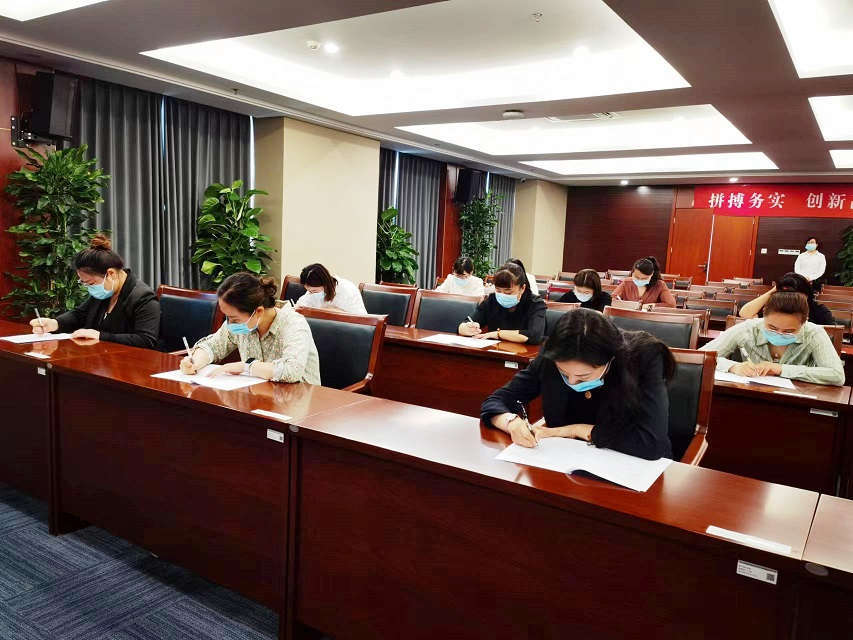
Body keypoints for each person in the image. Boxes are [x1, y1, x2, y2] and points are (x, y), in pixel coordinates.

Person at [481, 308, 673, 460]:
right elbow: (496, 401)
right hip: (565, 463)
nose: (571, 382)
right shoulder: (553, 355)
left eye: (583, 376)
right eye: (564, 373)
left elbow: (651, 444)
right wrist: (511, 422)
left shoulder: (643, 358)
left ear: (610, 360)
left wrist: (574, 430)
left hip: (631, 468)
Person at [180, 273, 321, 384]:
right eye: (227, 317)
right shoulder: (241, 322)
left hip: (300, 402)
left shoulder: (294, 324)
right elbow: (213, 346)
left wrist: (246, 367)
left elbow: (292, 370)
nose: (230, 324)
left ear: (258, 311)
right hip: (260, 397)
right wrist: (195, 362)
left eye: (234, 319)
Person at [29, 234, 160, 348]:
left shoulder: (143, 298)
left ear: (111, 274)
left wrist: (100, 336)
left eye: (91, 283)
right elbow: (79, 315)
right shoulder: (107, 291)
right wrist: (55, 323)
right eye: (84, 283)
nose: (89, 288)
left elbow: (145, 340)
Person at [701, 291, 843, 386]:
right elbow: (701, 356)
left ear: (803, 323)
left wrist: (780, 369)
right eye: (772, 328)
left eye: (789, 331)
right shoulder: (748, 328)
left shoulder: (814, 333)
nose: (779, 334)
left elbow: (836, 375)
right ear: (763, 317)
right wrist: (733, 367)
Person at [458, 262, 546, 344]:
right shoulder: (491, 300)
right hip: (494, 350)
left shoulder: (535, 303)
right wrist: (465, 328)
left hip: (524, 352)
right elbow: (466, 323)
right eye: (498, 290)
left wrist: (498, 334)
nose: (503, 295)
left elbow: (534, 335)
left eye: (508, 292)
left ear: (522, 288)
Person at [739, 272, 834, 325]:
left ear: (806, 295)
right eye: (784, 294)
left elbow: (830, 336)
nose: (789, 299)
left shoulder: (820, 311)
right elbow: (745, 314)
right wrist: (774, 290)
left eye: (794, 295)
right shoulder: (775, 308)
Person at [295, 263, 367, 314]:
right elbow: (301, 305)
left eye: (314, 291)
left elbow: (356, 317)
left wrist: (327, 310)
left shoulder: (346, 289)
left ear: (325, 283)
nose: (311, 293)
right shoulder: (314, 289)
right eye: (309, 291)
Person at [612, 256, 676, 307]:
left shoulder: (660, 285)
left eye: (644, 278)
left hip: (649, 318)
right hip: (627, 316)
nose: (640, 280)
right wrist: (627, 304)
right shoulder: (627, 282)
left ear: (651, 275)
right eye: (637, 277)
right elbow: (613, 298)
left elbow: (671, 304)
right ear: (632, 272)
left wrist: (651, 306)